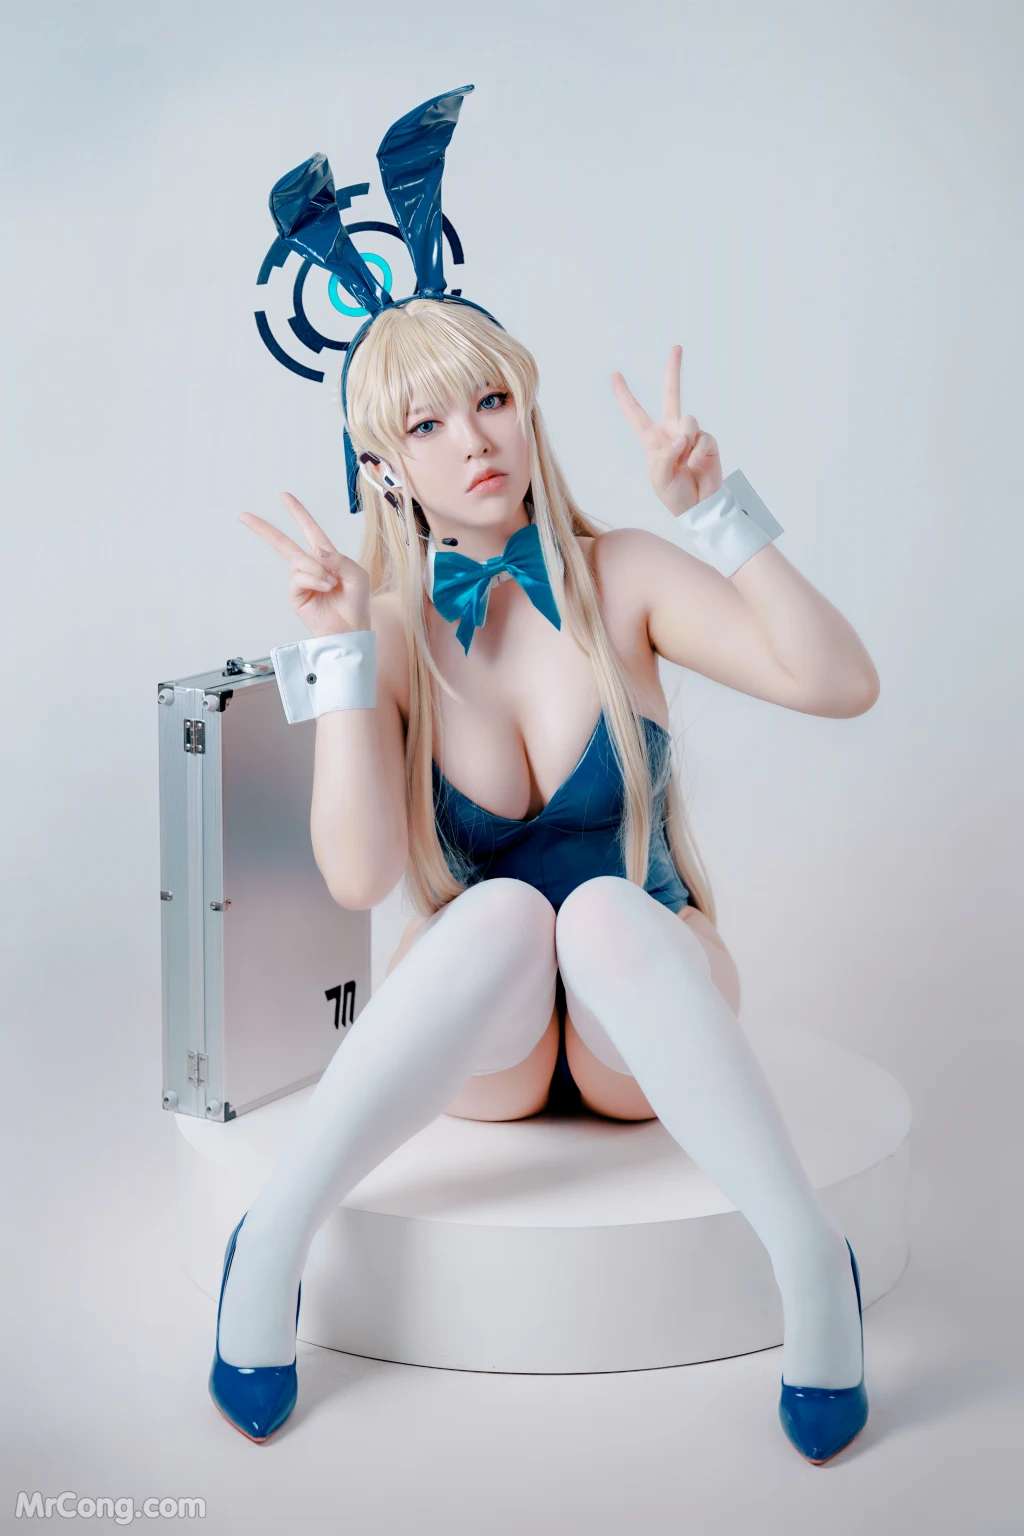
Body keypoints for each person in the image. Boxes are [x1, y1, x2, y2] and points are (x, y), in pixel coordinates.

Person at [208, 87, 880, 1463]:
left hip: (650, 1008)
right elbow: (360, 877)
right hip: (494, 1042)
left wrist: (719, 512)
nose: (477, 442)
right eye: (430, 429)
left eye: (493, 400)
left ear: (527, 405)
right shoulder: (385, 628)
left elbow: (838, 683)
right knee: (511, 913)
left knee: (601, 914)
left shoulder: (622, 573)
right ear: (382, 468)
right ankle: (271, 1239)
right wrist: (338, 660)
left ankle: (812, 1262)